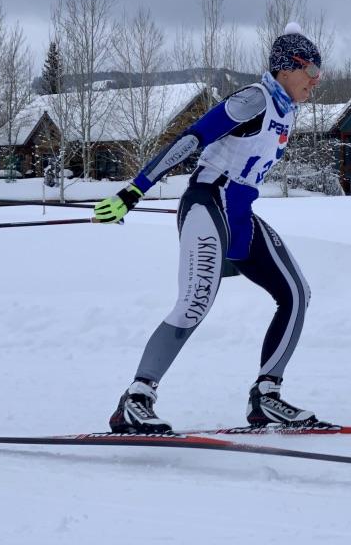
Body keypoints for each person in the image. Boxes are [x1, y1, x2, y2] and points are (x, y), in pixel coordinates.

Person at [94, 23, 323, 434]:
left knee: (295, 293)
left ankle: (267, 397)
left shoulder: (284, 111)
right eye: (311, 72)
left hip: (239, 217)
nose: (316, 81)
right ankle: (135, 400)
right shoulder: (254, 99)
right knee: (194, 304)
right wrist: (134, 190)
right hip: (206, 205)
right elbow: (192, 138)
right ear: (289, 67)